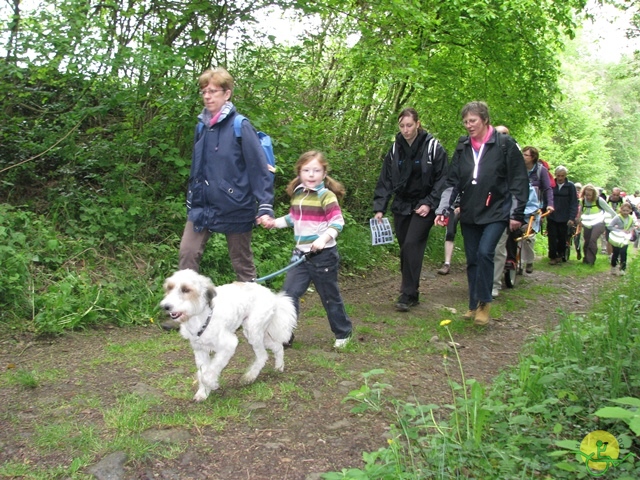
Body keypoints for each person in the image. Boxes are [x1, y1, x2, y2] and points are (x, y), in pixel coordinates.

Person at [165, 67, 274, 331]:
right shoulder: (201, 126)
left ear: (227, 93)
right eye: (203, 91)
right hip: (202, 206)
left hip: (235, 206)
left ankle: (258, 318)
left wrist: (264, 204)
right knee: (187, 256)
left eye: (212, 91)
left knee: (243, 266)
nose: (207, 96)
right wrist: (193, 195)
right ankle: (185, 315)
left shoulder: (240, 126)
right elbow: (198, 167)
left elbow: (259, 168)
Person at [435, 101, 528, 325]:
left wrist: (517, 213)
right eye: (466, 121)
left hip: (497, 210)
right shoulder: (463, 146)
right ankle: (473, 305)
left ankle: (485, 304)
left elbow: (518, 180)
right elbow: (452, 181)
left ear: (485, 119)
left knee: (486, 252)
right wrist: (444, 209)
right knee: (473, 258)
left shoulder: (504, 144)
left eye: (473, 120)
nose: (469, 125)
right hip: (469, 211)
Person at [264, 151, 353, 349]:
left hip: (323, 256)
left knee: (329, 296)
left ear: (323, 173)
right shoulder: (298, 193)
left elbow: (337, 222)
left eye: (316, 170)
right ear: (299, 172)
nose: (311, 175)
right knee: (288, 295)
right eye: (306, 170)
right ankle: (285, 336)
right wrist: (273, 223)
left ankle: (343, 332)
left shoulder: (326, 196)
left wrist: (323, 239)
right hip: (300, 256)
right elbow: (293, 218)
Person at [373, 108, 449, 312]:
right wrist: (380, 207)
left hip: (424, 204)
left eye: (409, 125)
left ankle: (406, 293)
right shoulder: (395, 149)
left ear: (418, 124)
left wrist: (430, 203)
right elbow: (385, 179)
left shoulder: (433, 147)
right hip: (402, 204)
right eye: (402, 126)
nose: (406, 130)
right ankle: (412, 291)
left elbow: (443, 178)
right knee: (405, 248)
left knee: (412, 244)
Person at [505, 146, 554, 273]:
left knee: (529, 237)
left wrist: (550, 204)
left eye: (525, 155)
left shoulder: (540, 171)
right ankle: (516, 262)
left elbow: (548, 188)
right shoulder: (518, 170)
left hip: (533, 206)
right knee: (515, 233)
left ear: (532, 157)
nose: (522, 156)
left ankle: (529, 261)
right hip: (517, 205)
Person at [578, 184, 616, 265]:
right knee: (587, 241)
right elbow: (580, 212)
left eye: (589, 195)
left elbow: (609, 210)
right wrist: (576, 220)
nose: (588, 197)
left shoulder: (599, 200)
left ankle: (590, 261)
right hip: (587, 224)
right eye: (586, 195)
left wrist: (619, 220)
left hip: (599, 223)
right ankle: (586, 259)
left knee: (592, 240)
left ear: (594, 194)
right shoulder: (583, 201)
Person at [546, 166, 577, 265]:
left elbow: (573, 203)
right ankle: (552, 256)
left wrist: (572, 217)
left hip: (565, 216)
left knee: (562, 237)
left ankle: (560, 254)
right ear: (555, 175)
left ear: (565, 176)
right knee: (552, 237)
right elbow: (546, 199)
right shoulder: (551, 185)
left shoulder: (570, 186)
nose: (560, 178)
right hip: (552, 215)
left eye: (562, 176)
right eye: (558, 176)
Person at [607, 202, 636, 275]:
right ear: (621, 210)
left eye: (627, 211)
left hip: (625, 239)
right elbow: (610, 226)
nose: (625, 212)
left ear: (630, 211)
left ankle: (622, 268)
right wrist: (620, 230)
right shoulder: (617, 217)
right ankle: (613, 266)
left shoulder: (631, 218)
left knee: (624, 253)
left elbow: (633, 225)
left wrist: (630, 230)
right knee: (616, 253)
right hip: (617, 238)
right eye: (624, 210)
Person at [437, 197, 460, 276]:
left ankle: (475, 262)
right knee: (450, 233)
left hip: (469, 206)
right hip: (452, 207)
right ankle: (447, 264)